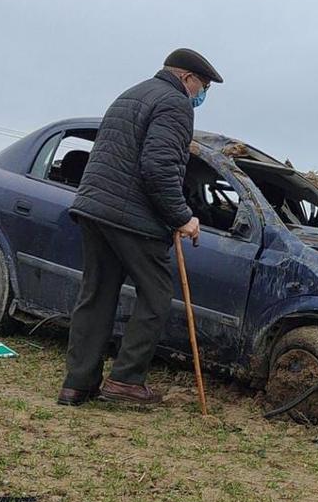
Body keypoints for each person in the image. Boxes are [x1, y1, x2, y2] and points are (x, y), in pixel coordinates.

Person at [57, 48, 223, 407]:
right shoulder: (175, 103)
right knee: (156, 293)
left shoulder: (131, 94)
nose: (201, 95)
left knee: (96, 294)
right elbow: (158, 167)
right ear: (186, 78)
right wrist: (182, 216)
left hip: (95, 208)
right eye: (203, 86)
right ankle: (126, 381)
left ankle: (77, 384)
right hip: (131, 216)